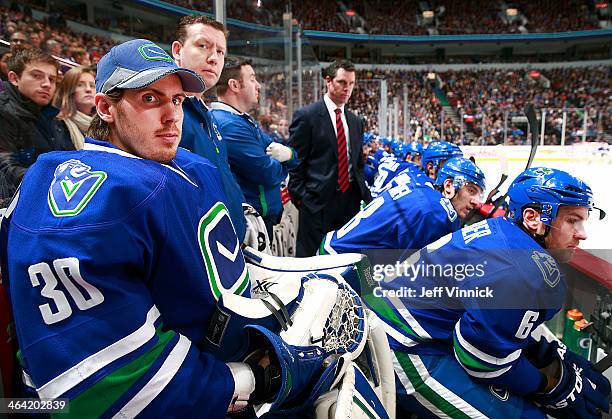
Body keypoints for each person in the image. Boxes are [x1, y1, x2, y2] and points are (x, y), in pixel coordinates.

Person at [0, 38, 322, 418]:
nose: (172, 116)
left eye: (177, 100)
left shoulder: (183, 163)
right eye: (151, 99)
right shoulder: (86, 204)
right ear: (105, 107)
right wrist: (248, 378)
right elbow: (109, 384)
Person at [374, 167, 610, 418]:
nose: (582, 234)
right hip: (401, 346)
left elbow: (484, 322)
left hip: (397, 326)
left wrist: (542, 354)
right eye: (572, 220)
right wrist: (550, 386)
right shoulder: (525, 269)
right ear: (532, 218)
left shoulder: (502, 230)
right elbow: (480, 361)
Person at [172, 14, 247, 242]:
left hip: (225, 248)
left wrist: (241, 211)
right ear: (177, 51)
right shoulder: (169, 111)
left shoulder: (204, 112)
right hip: (197, 252)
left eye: (220, 52)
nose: (214, 58)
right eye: (203, 46)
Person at [288, 59, 371, 257]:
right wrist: (303, 199)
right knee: (310, 262)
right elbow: (295, 162)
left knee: (344, 260)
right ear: (328, 81)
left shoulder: (355, 121)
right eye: (342, 82)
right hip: (317, 204)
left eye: (351, 84)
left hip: (349, 203)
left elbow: (357, 164)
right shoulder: (307, 116)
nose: (347, 89)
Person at [321, 157, 485, 255]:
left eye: (479, 194)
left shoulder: (426, 193)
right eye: (471, 190)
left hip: (337, 250)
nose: (475, 201)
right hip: (338, 266)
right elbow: (412, 274)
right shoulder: (436, 211)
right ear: (448, 185)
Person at [210, 57, 298, 239]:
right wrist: (285, 161)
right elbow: (267, 173)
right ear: (234, 85)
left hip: (263, 219)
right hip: (256, 221)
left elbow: (292, 156)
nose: (258, 85)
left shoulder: (243, 120)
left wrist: (288, 154)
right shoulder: (229, 125)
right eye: (252, 79)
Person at [0, 47, 73, 207]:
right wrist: (60, 185)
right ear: (14, 78)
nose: (47, 84)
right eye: (36, 75)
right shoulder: (3, 111)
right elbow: (6, 169)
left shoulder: (52, 118)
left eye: (52, 79)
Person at [52, 65, 96, 149]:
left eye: (92, 85)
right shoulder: (58, 125)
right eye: (80, 85)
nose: (88, 89)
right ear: (68, 90)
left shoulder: (101, 126)